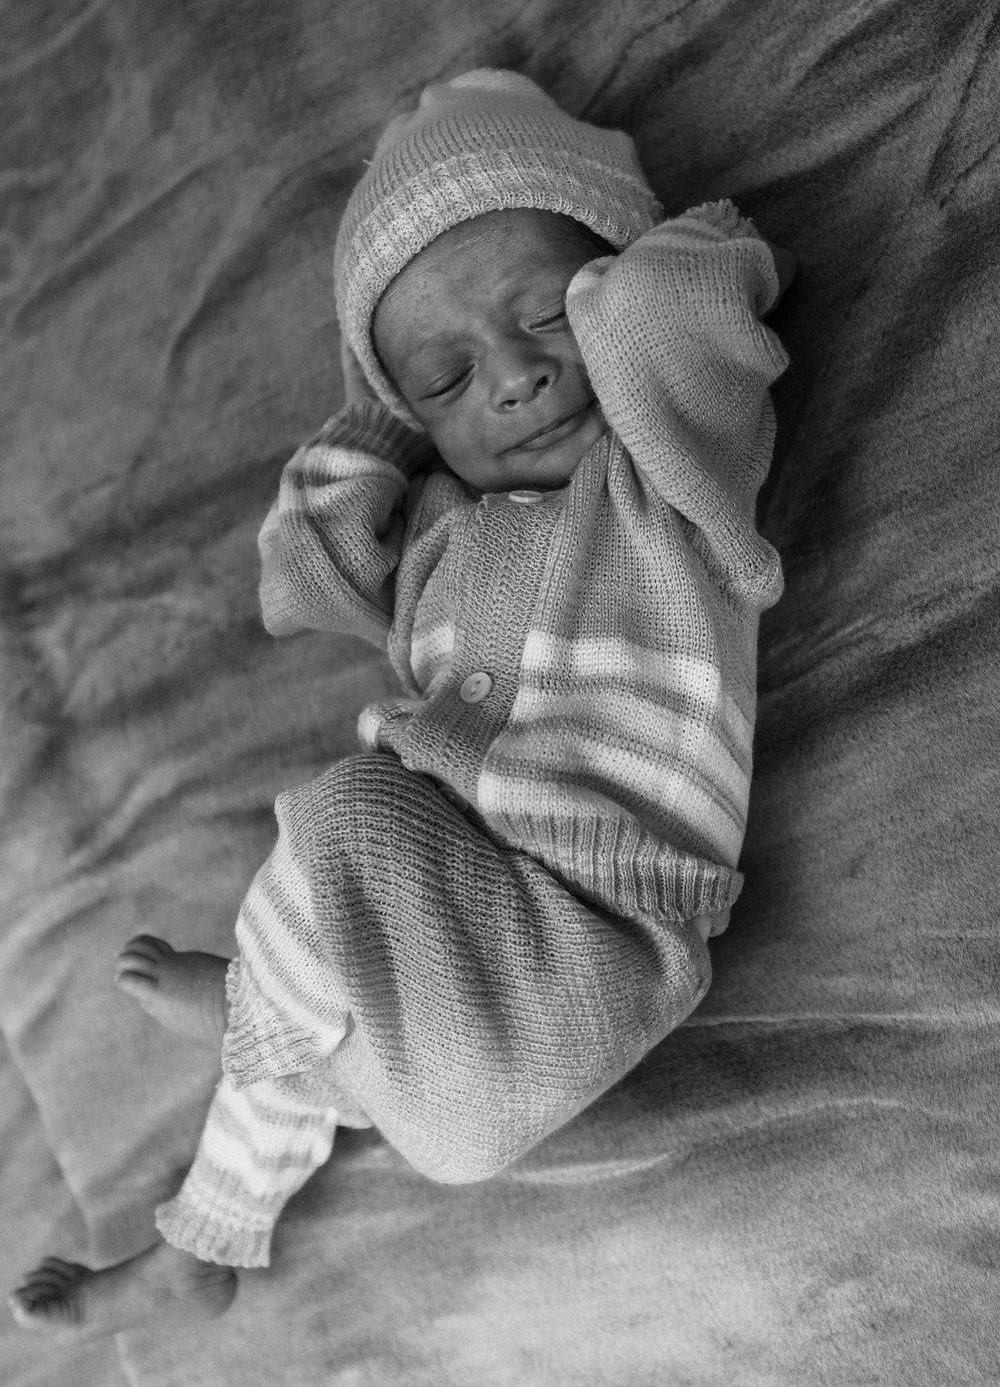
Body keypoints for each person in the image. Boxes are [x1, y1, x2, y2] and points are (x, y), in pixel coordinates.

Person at [9, 68, 793, 1340]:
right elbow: (302, 573)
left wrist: (603, 279)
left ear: (611, 287)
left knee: (343, 824)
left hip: (598, 929)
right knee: (321, 960)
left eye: (547, 314)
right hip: (453, 1005)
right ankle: (203, 1239)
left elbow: (687, 299)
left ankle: (259, 1015)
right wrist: (386, 418)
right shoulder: (435, 528)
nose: (515, 378)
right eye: (447, 376)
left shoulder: (668, 471)